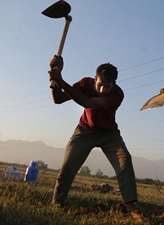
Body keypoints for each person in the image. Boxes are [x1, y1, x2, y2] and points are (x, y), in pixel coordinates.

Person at [48, 55, 141, 219]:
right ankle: (58, 204)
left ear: (114, 84)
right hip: (84, 131)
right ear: (95, 78)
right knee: (68, 166)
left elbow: (89, 103)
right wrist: (55, 80)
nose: (103, 89)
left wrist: (61, 80)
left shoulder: (118, 94)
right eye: (100, 85)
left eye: (107, 86)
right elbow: (58, 99)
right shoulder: (86, 83)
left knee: (124, 160)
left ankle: (131, 208)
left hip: (109, 134)